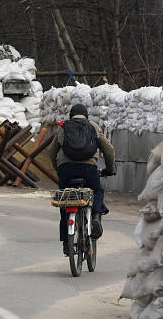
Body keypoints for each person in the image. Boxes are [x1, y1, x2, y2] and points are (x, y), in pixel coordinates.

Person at [49, 103, 115, 256]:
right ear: (86, 115)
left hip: (66, 170)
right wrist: (110, 169)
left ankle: (66, 242)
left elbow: (52, 152)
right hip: (88, 170)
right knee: (97, 191)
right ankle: (96, 216)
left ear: (71, 115)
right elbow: (109, 149)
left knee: (65, 202)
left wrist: (58, 169)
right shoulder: (93, 126)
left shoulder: (63, 127)